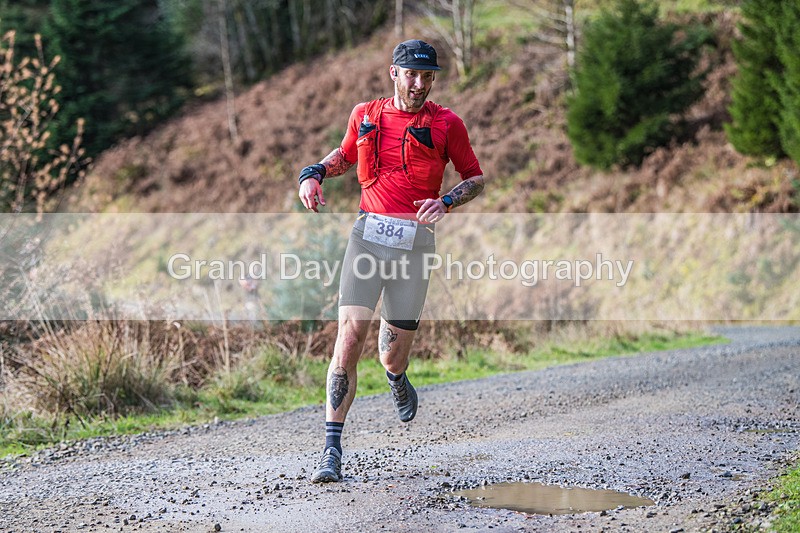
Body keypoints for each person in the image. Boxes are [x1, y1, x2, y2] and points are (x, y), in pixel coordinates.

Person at [297, 39, 485, 483]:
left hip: (415, 247)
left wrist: (447, 201)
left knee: (390, 354)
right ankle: (331, 449)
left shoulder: (447, 123)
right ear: (394, 73)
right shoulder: (366, 114)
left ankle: (397, 378)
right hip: (367, 237)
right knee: (349, 336)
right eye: (412, 75)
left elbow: (475, 177)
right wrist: (313, 173)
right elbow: (344, 155)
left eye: (428, 76)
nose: (420, 84)